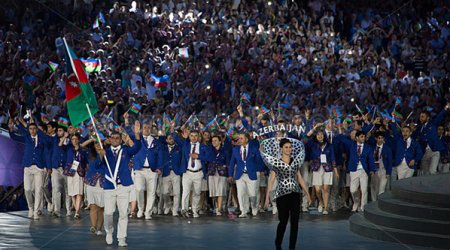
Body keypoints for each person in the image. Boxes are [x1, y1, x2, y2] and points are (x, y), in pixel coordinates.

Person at [265, 138, 311, 250]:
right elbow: (271, 180)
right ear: (281, 149)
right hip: (282, 195)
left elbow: (299, 178)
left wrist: (307, 193)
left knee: (295, 222)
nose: (289, 149)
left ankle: (292, 247)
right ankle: (278, 243)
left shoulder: (295, 162)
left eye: (290, 147)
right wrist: (267, 197)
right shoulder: (277, 162)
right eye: (286, 147)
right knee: (283, 221)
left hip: (295, 194)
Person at [103, 121, 142, 247]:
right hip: (109, 187)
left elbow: (137, 147)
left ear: (121, 139)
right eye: (112, 138)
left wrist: (136, 134)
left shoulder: (126, 150)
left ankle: (121, 238)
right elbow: (97, 163)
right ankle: (109, 231)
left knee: (123, 213)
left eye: (117, 138)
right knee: (108, 213)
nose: (114, 140)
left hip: (123, 186)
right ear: (109, 139)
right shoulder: (105, 152)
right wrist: (99, 153)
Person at [8, 117, 49, 219]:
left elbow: (47, 151)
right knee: (27, 189)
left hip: (39, 167)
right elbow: (14, 137)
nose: (32, 131)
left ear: (37, 129)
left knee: (38, 189)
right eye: (30, 129)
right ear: (29, 130)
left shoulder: (42, 139)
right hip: (27, 167)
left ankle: (36, 211)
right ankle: (30, 207)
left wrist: (48, 167)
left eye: (34, 129)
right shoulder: (26, 138)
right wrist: (11, 128)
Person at [173, 129, 213, 218]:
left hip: (198, 173)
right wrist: (175, 129)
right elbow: (175, 138)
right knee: (186, 192)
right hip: (187, 173)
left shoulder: (203, 146)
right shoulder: (185, 145)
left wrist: (198, 156)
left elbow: (210, 157)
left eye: (195, 136)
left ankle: (195, 210)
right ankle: (184, 209)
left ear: (198, 136)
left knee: (197, 193)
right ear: (189, 136)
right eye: (192, 136)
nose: (194, 138)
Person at [228, 132, 263, 218]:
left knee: (252, 193)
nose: (239, 140)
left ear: (246, 139)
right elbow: (232, 163)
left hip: (251, 173)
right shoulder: (235, 149)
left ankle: (254, 208)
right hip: (240, 175)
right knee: (241, 193)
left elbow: (260, 160)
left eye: (241, 138)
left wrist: (259, 170)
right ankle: (243, 210)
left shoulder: (254, 148)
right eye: (239, 138)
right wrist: (230, 175)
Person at [63, 133, 87, 219]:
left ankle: (77, 212)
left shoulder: (83, 150)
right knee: (72, 192)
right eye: (73, 139)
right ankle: (76, 208)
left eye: (76, 139)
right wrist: (65, 136)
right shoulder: (69, 149)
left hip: (79, 171)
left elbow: (85, 161)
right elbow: (60, 145)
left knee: (79, 192)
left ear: (79, 140)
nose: (74, 141)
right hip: (71, 170)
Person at [84, 140, 105, 236]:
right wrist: (91, 139)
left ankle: (100, 229)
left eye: (99, 143)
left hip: (102, 183)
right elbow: (81, 146)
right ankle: (93, 226)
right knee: (93, 205)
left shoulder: (107, 153)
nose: (97, 145)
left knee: (101, 208)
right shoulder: (89, 153)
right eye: (96, 143)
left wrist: (102, 155)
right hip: (91, 182)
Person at [206, 135, 230, 216]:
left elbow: (228, 163)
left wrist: (229, 175)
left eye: (215, 140)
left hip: (222, 173)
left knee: (220, 191)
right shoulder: (209, 150)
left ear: (220, 141)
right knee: (213, 192)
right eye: (212, 141)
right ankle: (216, 206)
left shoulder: (225, 151)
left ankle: (219, 209)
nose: (213, 142)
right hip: (212, 172)